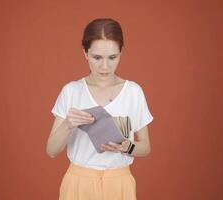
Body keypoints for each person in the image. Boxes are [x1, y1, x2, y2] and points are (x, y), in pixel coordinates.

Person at [46, 18, 154, 200]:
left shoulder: (133, 92)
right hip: (78, 184)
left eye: (112, 57)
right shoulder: (71, 91)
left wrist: (126, 147)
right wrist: (68, 124)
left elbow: (145, 147)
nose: (105, 67)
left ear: (121, 53)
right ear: (85, 54)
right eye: (97, 57)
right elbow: (51, 150)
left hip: (120, 184)